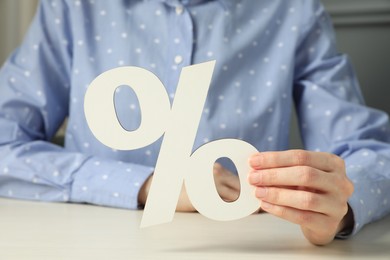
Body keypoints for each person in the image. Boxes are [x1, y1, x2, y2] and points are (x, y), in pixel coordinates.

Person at [0, 0, 389, 246]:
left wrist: (340, 206)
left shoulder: (293, 10)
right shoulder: (71, 7)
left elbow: (373, 154)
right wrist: (150, 186)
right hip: (86, 246)